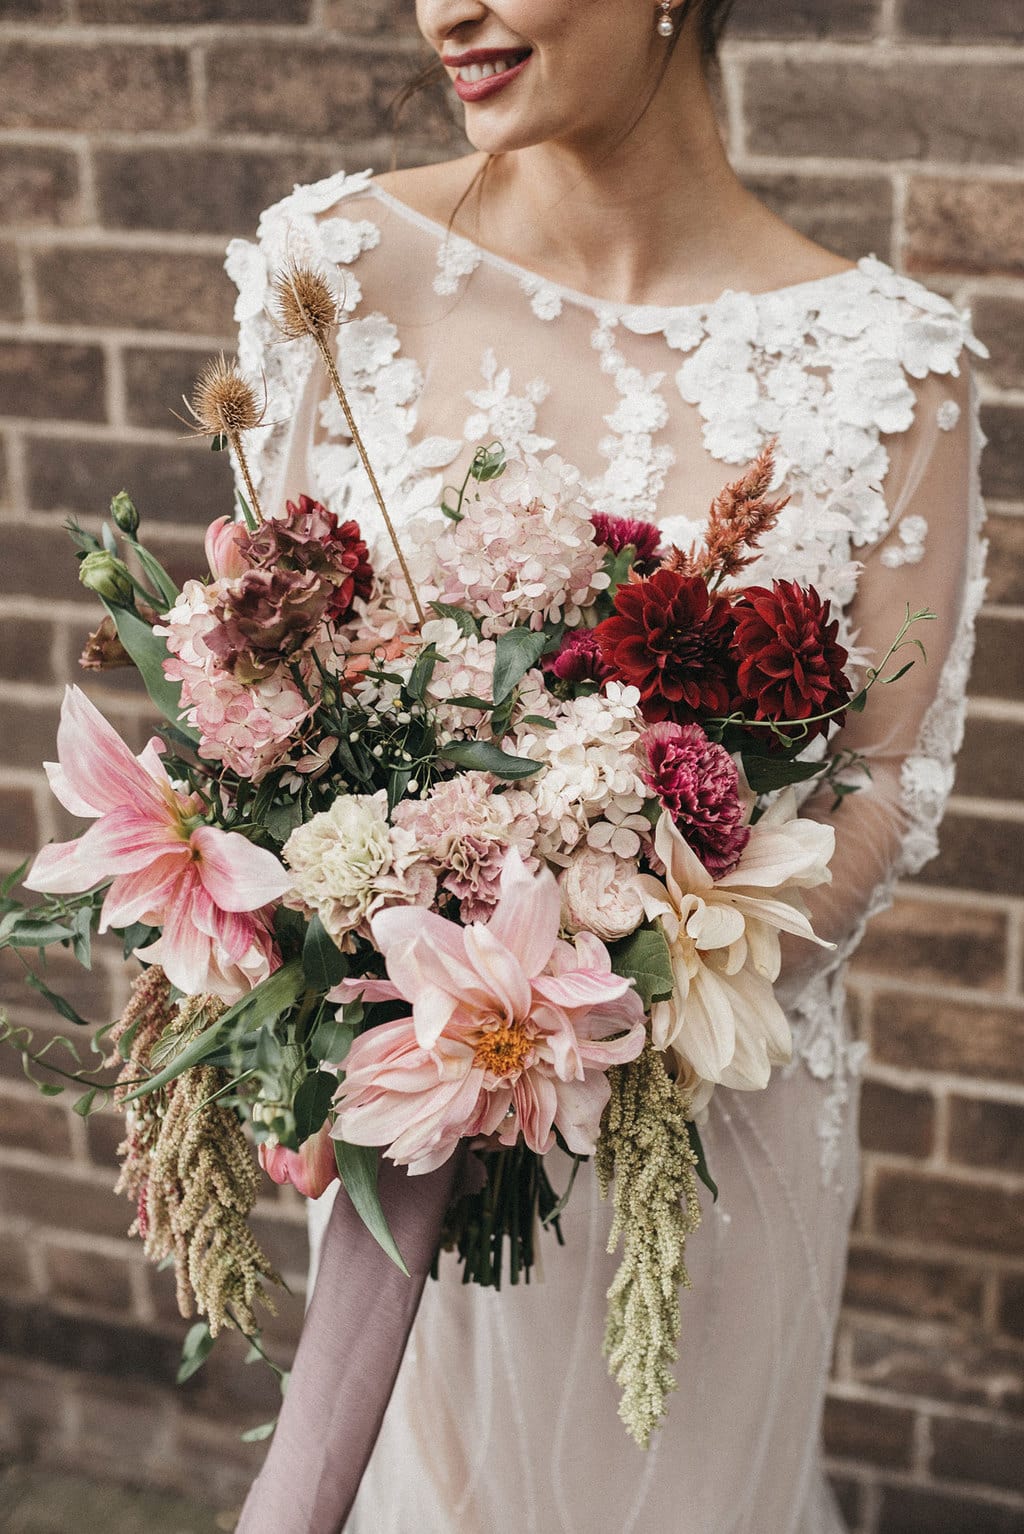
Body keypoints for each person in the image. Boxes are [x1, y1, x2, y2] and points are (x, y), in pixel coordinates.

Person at [227, 1, 986, 1529]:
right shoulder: (326, 277)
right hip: (415, 1113)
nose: (449, 10)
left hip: (708, 1138)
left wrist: (614, 981)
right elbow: (259, 687)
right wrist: (306, 987)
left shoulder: (885, 370)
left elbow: (881, 789)